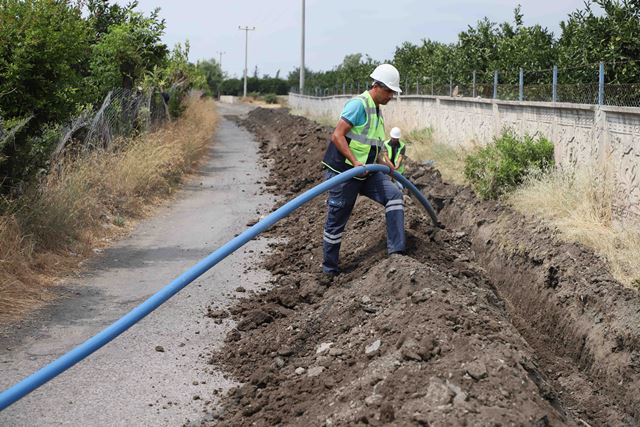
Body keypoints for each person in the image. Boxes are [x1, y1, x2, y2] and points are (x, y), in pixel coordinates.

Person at [320, 64, 405, 282]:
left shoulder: (377, 111)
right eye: (390, 92)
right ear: (377, 86)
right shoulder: (358, 105)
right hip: (345, 172)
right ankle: (329, 270)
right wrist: (355, 161)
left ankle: (397, 254)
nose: (391, 97)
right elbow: (337, 136)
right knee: (337, 219)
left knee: (394, 195)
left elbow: (373, 145)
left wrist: (386, 165)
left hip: (367, 172)